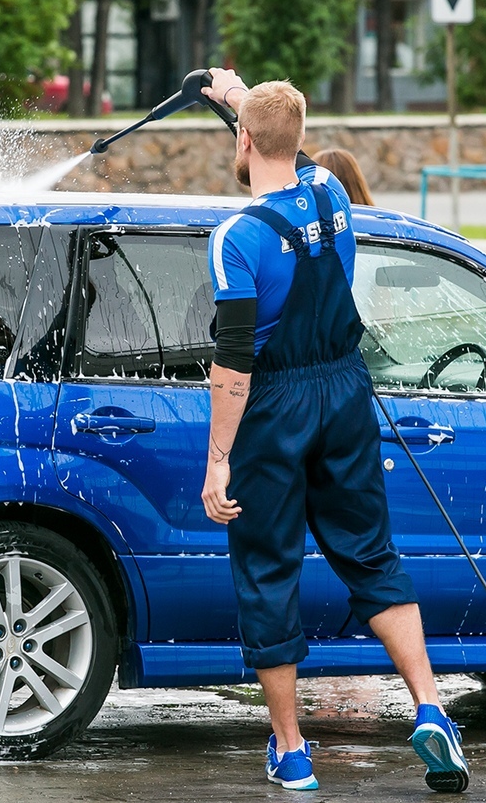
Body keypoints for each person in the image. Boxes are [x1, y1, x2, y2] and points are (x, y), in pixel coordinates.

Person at [199, 69, 469, 794]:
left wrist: (219, 458)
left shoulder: (238, 238)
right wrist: (238, 95)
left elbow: (233, 366)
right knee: (371, 553)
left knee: (268, 567)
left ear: (245, 140)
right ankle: (432, 706)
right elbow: (285, 139)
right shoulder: (334, 194)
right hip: (346, 389)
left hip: (277, 404)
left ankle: (291, 750)